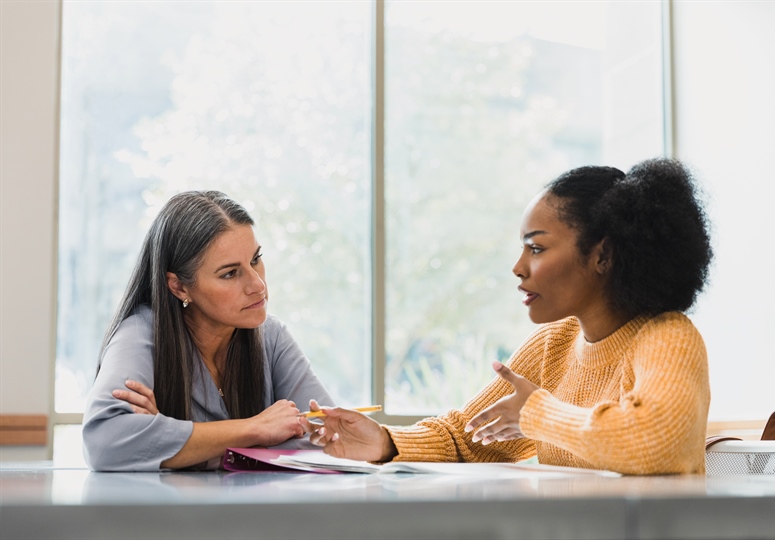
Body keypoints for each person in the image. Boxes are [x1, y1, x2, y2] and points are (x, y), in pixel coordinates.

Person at [309, 157, 713, 475]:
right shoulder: (553, 344)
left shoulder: (668, 337)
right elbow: (468, 438)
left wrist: (536, 413)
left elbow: (656, 442)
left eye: (536, 248)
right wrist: (384, 442)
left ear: (602, 254)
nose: (518, 267)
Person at [82, 190, 332, 471]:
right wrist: (255, 429)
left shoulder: (270, 336)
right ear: (178, 286)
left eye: (255, 259)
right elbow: (104, 443)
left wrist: (171, 442)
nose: (258, 285)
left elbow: (328, 438)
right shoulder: (141, 333)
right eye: (230, 273)